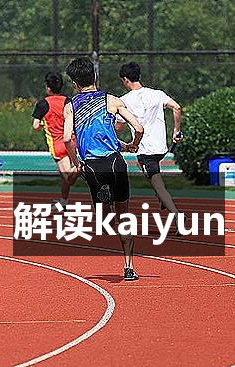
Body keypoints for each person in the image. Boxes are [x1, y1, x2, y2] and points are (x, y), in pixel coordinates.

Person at [63, 57, 144, 281]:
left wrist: (76, 162)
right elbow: (138, 127)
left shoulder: (71, 106)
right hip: (116, 162)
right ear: (95, 76)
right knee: (124, 216)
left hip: (92, 166)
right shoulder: (112, 100)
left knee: (103, 219)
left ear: (75, 83)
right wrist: (132, 144)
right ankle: (129, 267)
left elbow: (67, 139)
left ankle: (105, 199)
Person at [116, 62, 184, 220]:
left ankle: (177, 215)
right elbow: (177, 107)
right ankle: (161, 198)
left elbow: (119, 126)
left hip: (146, 150)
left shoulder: (124, 101)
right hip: (161, 148)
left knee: (158, 186)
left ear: (125, 80)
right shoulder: (157, 94)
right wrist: (176, 131)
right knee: (142, 165)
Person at [32, 72, 74, 211]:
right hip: (72, 141)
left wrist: (45, 124)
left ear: (48, 88)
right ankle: (63, 202)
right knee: (65, 177)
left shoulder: (43, 104)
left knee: (67, 176)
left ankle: (82, 168)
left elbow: (35, 126)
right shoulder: (68, 101)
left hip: (58, 144)